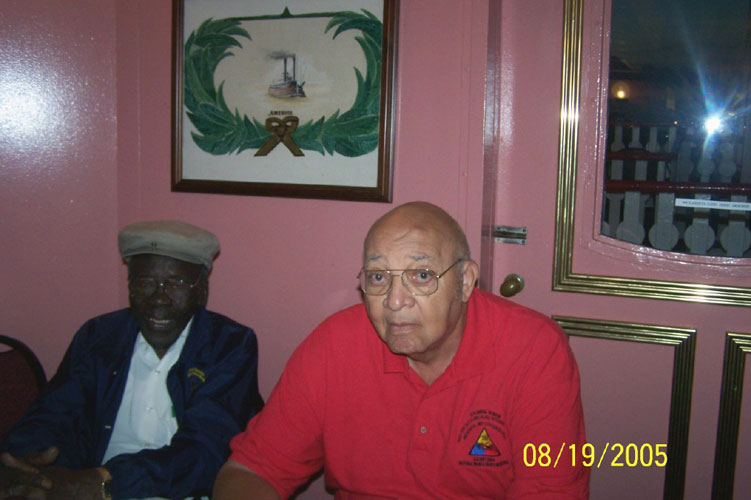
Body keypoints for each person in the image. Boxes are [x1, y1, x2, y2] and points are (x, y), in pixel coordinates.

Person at [214, 201, 589, 499]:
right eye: (378, 277)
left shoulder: (535, 348)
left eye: (421, 276)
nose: (394, 301)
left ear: (465, 282)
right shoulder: (334, 345)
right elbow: (252, 469)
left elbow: (552, 489)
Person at [0, 220, 263, 500]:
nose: (159, 299)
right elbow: (53, 413)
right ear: (129, 285)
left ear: (202, 290)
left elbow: (204, 450)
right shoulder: (99, 336)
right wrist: (24, 465)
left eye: (175, 283)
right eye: (145, 282)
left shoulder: (230, 345)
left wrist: (103, 482)